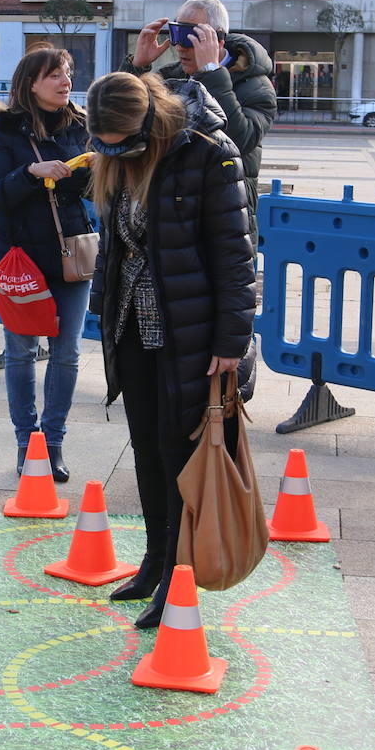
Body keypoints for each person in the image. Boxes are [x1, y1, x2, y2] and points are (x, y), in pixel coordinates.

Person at [86, 71, 255, 629]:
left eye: (120, 140)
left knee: (180, 453)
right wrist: (102, 305)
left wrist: (233, 339)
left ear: (149, 123)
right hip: (134, 321)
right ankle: (155, 561)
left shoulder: (207, 152)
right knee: (146, 447)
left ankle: (179, 578)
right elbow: (117, 242)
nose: (111, 152)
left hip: (191, 329)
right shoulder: (121, 152)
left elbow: (235, 252)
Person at [0, 44, 93, 482]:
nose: (65, 81)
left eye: (67, 72)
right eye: (54, 75)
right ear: (30, 83)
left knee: (67, 354)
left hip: (70, 256)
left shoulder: (80, 125)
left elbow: (94, 191)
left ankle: (54, 441)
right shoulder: (4, 129)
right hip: (19, 259)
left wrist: (94, 170)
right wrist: (30, 174)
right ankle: (28, 444)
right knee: (21, 353)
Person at [122, 0, 276, 198]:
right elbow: (123, 121)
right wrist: (137, 68)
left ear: (218, 40)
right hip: (174, 206)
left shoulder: (257, 87)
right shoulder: (170, 77)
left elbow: (239, 140)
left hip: (226, 209)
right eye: (177, 34)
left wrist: (211, 73)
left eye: (191, 37)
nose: (180, 47)